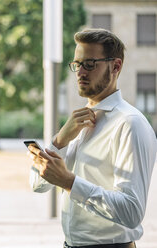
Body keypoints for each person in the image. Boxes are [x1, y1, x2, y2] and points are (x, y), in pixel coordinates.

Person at [29, 28, 156, 248]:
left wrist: (69, 182)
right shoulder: (77, 124)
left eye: (89, 64)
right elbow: (38, 185)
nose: (80, 72)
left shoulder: (130, 124)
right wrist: (59, 140)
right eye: (77, 64)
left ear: (115, 66)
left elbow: (132, 212)